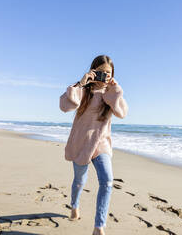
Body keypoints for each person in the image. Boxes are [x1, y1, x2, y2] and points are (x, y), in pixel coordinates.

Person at [59, 55, 128, 235]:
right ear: (93, 71)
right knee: (79, 181)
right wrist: (81, 84)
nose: (104, 76)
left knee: (107, 181)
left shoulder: (111, 93)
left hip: (101, 144)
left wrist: (115, 90)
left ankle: (99, 227)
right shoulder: (84, 91)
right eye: (100, 72)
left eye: (108, 73)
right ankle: (74, 205)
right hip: (82, 142)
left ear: (112, 74)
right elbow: (65, 106)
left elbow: (122, 112)